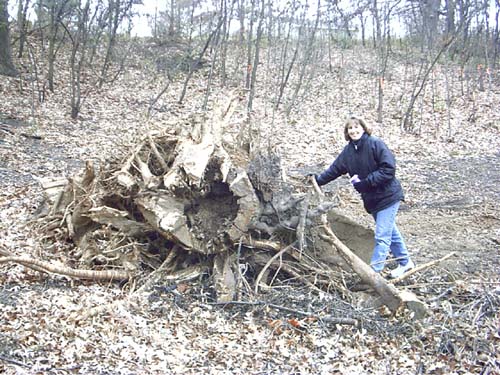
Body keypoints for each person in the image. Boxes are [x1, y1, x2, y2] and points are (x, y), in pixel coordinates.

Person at [313, 115, 414, 278]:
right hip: (372, 200)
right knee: (390, 232)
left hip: (388, 196)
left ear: (363, 128)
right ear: (347, 132)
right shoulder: (348, 151)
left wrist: (366, 182)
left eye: (356, 127)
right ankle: (405, 263)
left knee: (382, 235)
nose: (353, 130)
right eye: (350, 128)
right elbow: (335, 169)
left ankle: (374, 273)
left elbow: (388, 169)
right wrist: (318, 180)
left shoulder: (375, 144)